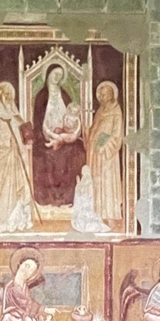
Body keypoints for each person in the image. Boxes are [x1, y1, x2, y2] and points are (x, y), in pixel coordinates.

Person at [32, 65, 86, 207]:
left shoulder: (65, 95)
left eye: (60, 75)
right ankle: (50, 197)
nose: (57, 77)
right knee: (44, 155)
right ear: (48, 74)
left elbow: (74, 117)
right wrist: (49, 135)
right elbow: (38, 120)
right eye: (55, 74)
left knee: (77, 150)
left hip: (66, 136)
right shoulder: (42, 96)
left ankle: (67, 197)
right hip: (45, 136)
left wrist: (69, 135)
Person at [0, 81, 34, 233]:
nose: (8, 97)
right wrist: (8, 142)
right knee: (7, 188)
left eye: (10, 94)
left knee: (20, 188)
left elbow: (25, 134)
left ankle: (19, 220)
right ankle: (5, 219)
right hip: (5, 159)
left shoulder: (15, 116)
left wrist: (26, 137)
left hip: (18, 158)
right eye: (5, 94)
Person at [87, 81, 124, 223]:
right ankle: (97, 212)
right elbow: (95, 128)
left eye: (105, 94)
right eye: (101, 95)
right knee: (96, 181)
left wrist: (104, 145)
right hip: (95, 153)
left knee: (106, 182)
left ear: (112, 94)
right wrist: (89, 134)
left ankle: (109, 214)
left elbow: (116, 134)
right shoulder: (100, 111)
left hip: (107, 154)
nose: (102, 97)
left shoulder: (116, 111)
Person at [71, 165, 110, 233]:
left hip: (86, 205)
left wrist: (78, 184)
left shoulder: (87, 180)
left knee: (87, 221)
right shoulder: (86, 179)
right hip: (84, 205)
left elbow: (83, 193)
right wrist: (78, 183)